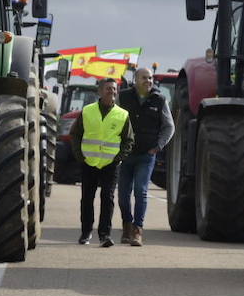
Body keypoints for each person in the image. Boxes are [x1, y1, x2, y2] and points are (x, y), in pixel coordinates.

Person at [69, 77, 132, 247]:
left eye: (114, 89)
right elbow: (75, 134)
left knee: (107, 198)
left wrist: (118, 159)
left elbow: (128, 140)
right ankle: (86, 232)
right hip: (88, 162)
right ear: (100, 91)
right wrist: (79, 156)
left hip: (110, 165)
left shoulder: (122, 114)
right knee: (87, 198)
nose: (111, 91)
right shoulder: (88, 111)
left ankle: (105, 235)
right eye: (108, 88)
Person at [117, 66, 174, 246]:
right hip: (125, 155)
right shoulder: (123, 97)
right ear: (135, 80)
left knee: (140, 191)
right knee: (123, 195)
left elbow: (169, 126)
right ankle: (127, 224)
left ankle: (137, 230)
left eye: (150, 78)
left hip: (146, 155)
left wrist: (159, 146)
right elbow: (113, 120)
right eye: (144, 78)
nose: (148, 81)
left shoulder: (160, 100)